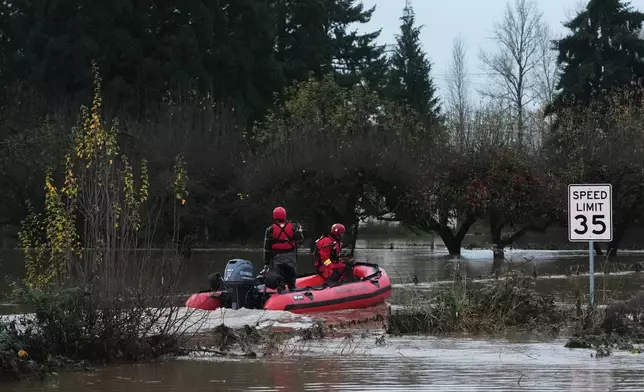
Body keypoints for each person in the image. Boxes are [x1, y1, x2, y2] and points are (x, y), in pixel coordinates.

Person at [263, 206, 304, 292]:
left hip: (276, 257)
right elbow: (300, 240)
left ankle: (281, 288)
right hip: (290, 256)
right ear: (285, 215)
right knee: (291, 273)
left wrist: (266, 262)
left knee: (279, 275)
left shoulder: (270, 229)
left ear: (274, 216)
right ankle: (292, 287)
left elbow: (267, 248)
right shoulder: (294, 227)